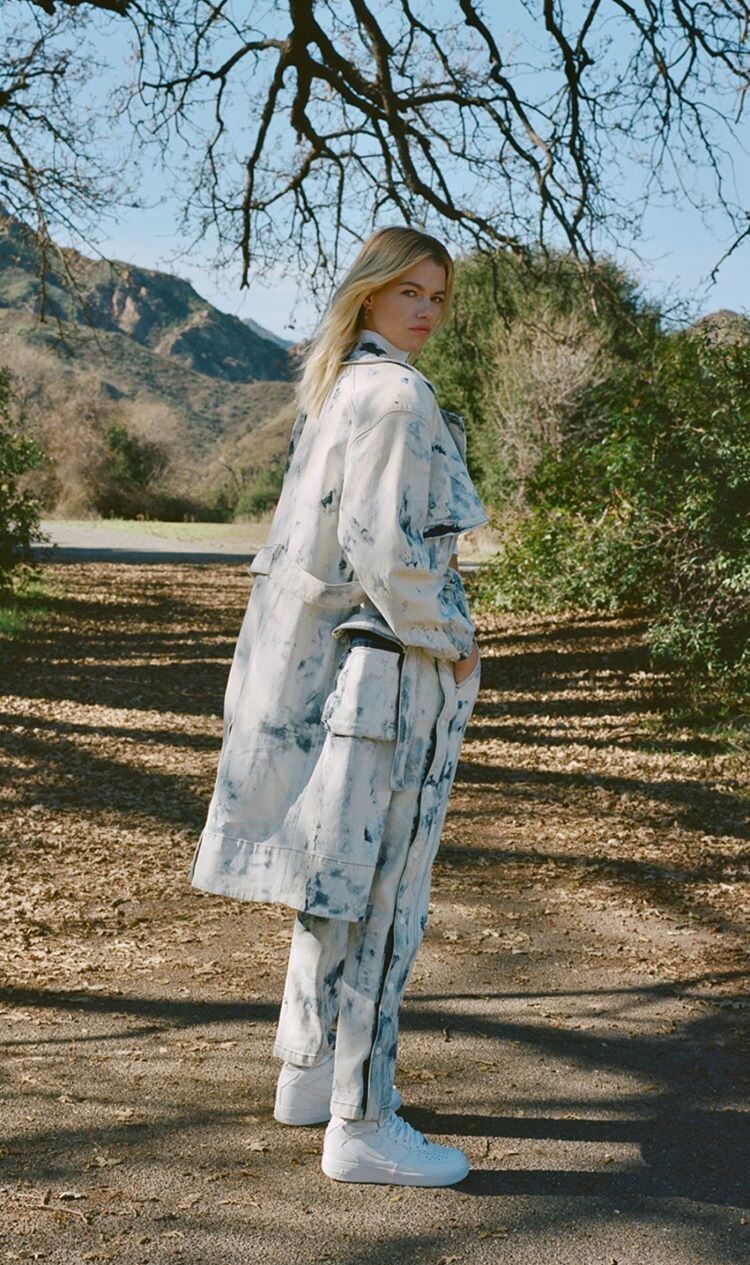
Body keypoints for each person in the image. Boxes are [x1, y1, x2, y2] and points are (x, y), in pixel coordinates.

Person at [189, 225, 489, 1186]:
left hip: (340, 682)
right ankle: (363, 1119)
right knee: (386, 900)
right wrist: (456, 637)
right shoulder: (396, 395)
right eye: (410, 292)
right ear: (368, 293)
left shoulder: (336, 389)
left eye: (438, 296)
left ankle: (310, 1073)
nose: (428, 311)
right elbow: (389, 553)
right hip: (392, 677)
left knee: (337, 884)